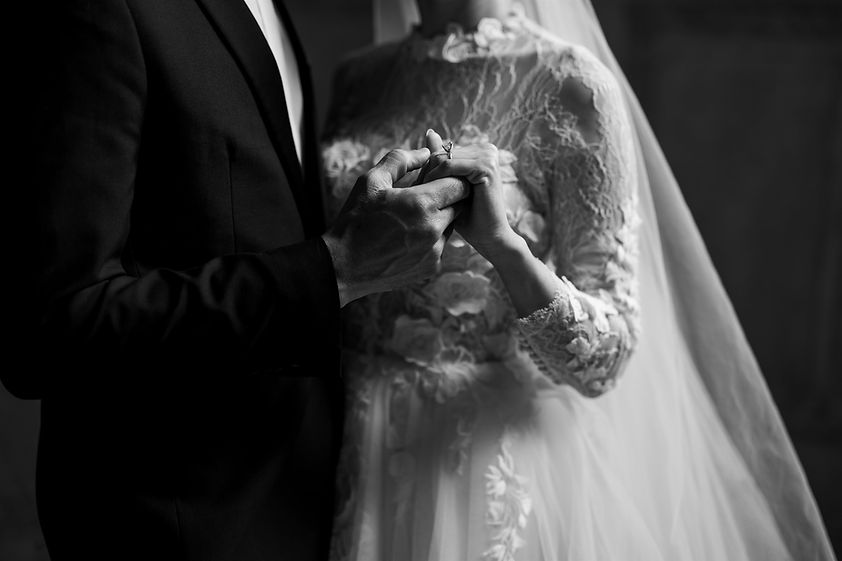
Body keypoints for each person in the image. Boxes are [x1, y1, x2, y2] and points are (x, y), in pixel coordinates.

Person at [320, 0, 838, 560]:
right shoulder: (357, 77)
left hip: (476, 465)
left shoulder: (571, 85)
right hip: (337, 445)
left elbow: (609, 352)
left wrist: (504, 248)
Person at [4, 1, 479, 560]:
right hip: (177, 527)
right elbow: (50, 327)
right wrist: (336, 270)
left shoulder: (277, 15)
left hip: (316, 505)